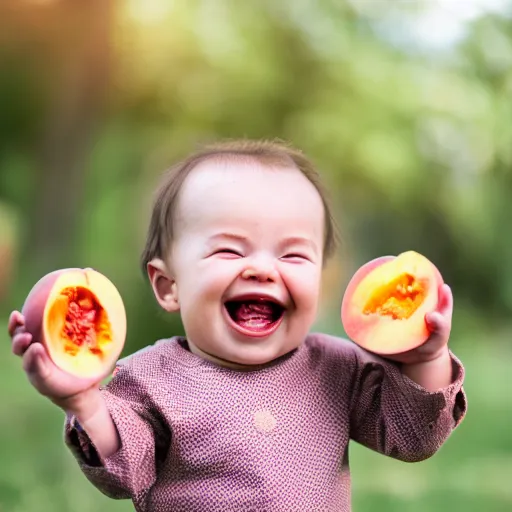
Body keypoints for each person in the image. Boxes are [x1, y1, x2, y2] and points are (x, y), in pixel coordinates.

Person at [8, 139, 467, 511]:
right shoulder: (149, 379)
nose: (263, 269)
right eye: (229, 250)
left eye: (292, 254)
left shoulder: (335, 368)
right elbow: (123, 472)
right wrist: (85, 403)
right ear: (169, 286)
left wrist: (426, 358)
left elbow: (414, 437)